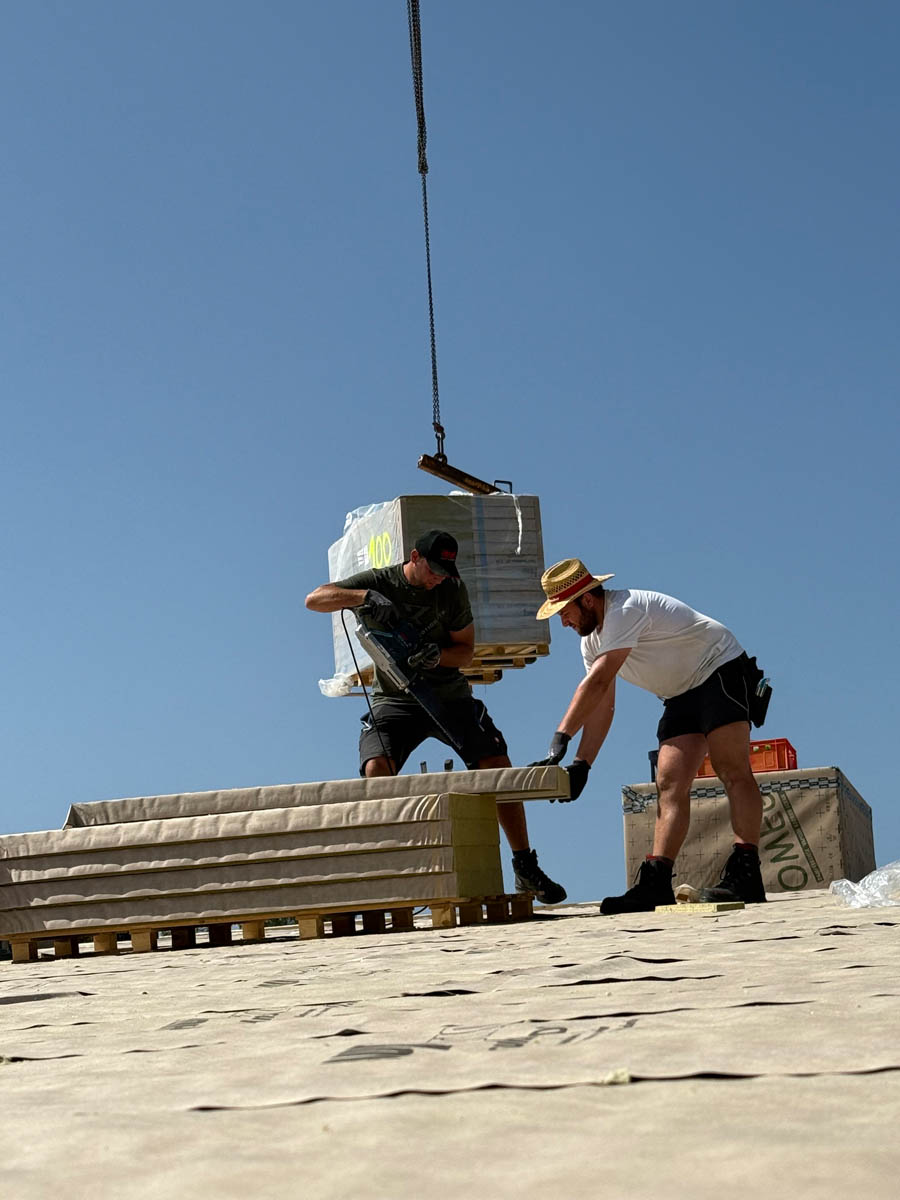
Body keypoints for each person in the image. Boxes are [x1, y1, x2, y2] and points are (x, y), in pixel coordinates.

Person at [305, 529, 567, 904]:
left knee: (496, 765)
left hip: (447, 695)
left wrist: (437, 656)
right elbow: (315, 599)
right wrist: (363, 597)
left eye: (445, 571)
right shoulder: (380, 581)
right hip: (395, 698)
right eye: (433, 569)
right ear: (414, 558)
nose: (438, 578)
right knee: (376, 767)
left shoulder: (452, 591)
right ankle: (391, 871)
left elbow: (465, 651)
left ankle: (525, 865)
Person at [531, 557, 769, 914]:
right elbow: (602, 705)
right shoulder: (591, 644)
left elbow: (595, 684)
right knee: (669, 781)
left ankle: (747, 873)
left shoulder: (624, 610)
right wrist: (582, 764)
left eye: (564, 611)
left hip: (719, 668)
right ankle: (657, 881)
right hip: (680, 693)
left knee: (730, 768)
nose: (563, 621)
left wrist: (560, 738)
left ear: (587, 599)